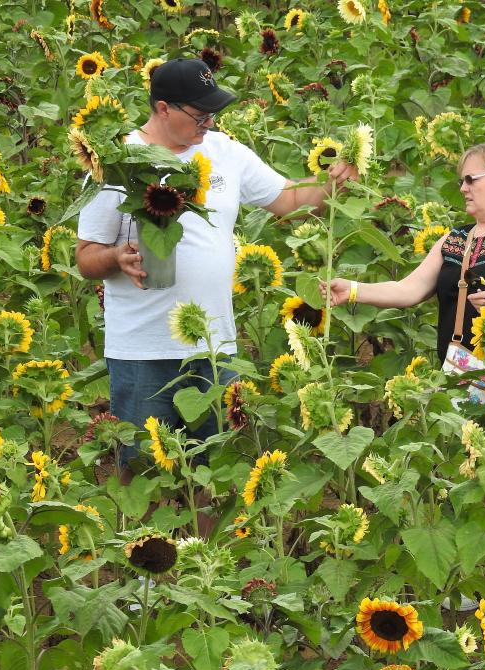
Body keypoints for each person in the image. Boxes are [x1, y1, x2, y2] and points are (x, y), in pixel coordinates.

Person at [76, 57, 357, 470]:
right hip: (142, 349)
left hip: (213, 348)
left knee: (217, 470)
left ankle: (207, 539)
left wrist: (329, 183)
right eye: (200, 114)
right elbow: (85, 257)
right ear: (163, 108)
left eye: (213, 113)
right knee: (142, 470)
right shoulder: (119, 163)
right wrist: (117, 257)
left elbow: (290, 202)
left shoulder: (226, 153)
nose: (208, 123)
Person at [322, 141, 485, 438]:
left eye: (471, 179)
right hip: (458, 384)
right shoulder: (455, 240)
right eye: (460, 180)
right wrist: (351, 290)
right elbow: (408, 290)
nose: (463, 188)